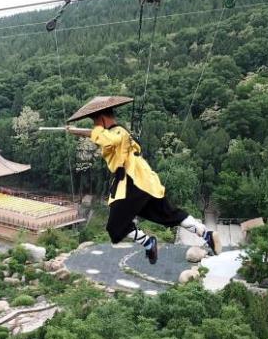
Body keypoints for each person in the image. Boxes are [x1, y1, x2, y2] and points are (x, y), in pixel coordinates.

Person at [66, 96, 220, 264]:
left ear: (102, 119)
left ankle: (148, 242)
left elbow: (107, 139)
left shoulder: (117, 133)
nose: (95, 126)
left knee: (115, 227)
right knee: (169, 214)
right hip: (146, 181)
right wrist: (77, 131)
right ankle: (206, 234)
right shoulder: (118, 132)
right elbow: (103, 136)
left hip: (132, 181)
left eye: (95, 122)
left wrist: (93, 131)